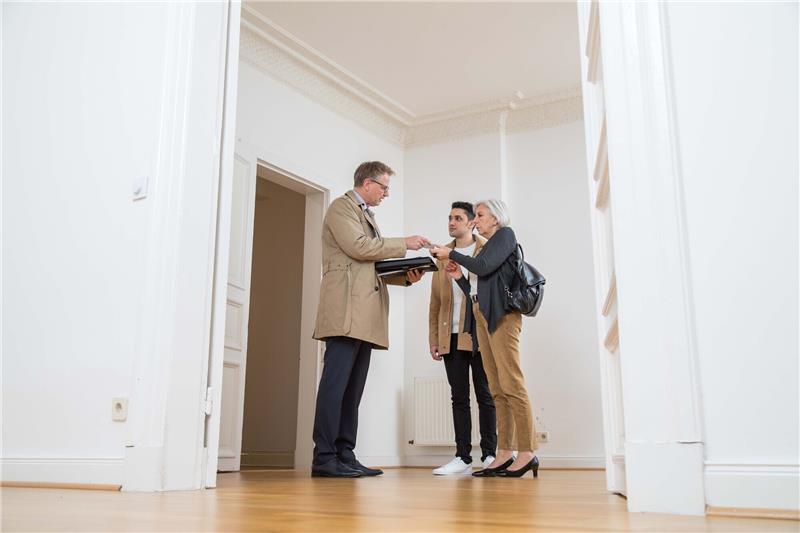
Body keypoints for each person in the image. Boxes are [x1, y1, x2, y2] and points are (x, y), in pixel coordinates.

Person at [311, 161, 430, 478]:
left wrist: (406, 277)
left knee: (353, 389)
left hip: (364, 311)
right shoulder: (342, 208)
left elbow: (369, 268)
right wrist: (404, 243)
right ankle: (324, 457)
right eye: (384, 187)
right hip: (345, 310)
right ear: (367, 183)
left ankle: (344, 454)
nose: (387, 193)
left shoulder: (366, 215)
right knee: (335, 387)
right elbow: (360, 248)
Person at [430, 199, 539, 479]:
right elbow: (478, 285)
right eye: (475, 216)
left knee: (512, 383)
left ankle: (527, 452)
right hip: (482, 314)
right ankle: (504, 453)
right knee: (497, 388)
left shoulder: (505, 235)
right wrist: (459, 279)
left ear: (496, 218)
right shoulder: (489, 246)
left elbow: (484, 266)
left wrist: (452, 257)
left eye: (480, 215)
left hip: (502, 316)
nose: (475, 221)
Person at [428, 202, 497, 475]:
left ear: (471, 223)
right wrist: (433, 337)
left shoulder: (487, 250)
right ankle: (463, 457)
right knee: (459, 397)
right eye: (449, 218)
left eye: (458, 218)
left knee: (486, 396)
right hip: (450, 334)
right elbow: (435, 301)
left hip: (480, 334)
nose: (451, 222)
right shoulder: (441, 255)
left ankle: (490, 454)